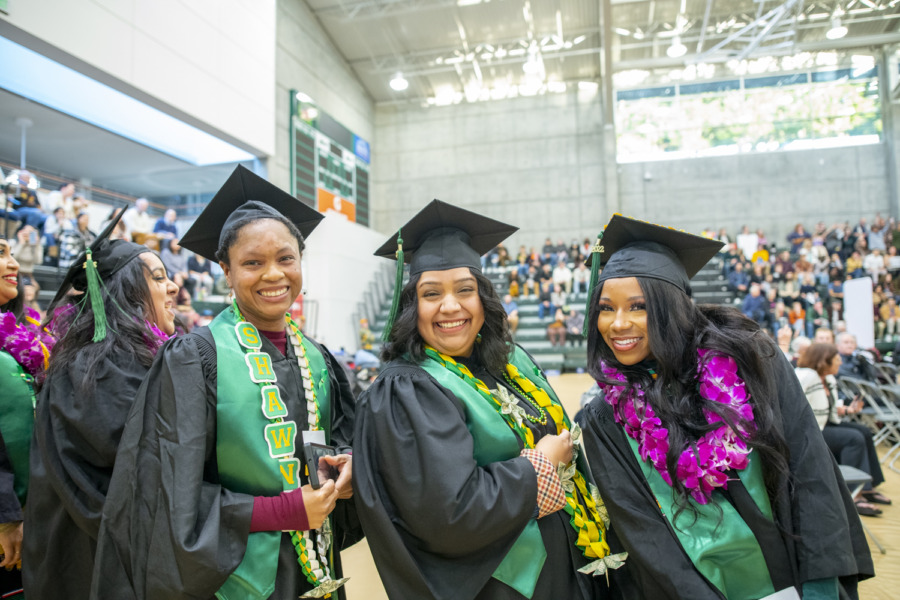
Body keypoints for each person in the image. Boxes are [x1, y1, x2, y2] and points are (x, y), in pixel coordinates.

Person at [91, 165, 360, 599]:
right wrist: (283, 510)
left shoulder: (317, 357)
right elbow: (168, 492)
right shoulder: (195, 358)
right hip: (235, 574)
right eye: (252, 263)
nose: (273, 275)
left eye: (285, 258)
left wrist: (348, 465)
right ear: (226, 271)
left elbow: (342, 436)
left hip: (317, 561)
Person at [578, 215, 872, 599]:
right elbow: (642, 533)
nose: (618, 324)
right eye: (605, 308)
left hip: (793, 575)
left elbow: (809, 469)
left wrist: (819, 587)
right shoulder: (605, 417)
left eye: (638, 306)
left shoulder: (752, 361)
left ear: (671, 305)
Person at [354, 200, 616, 600]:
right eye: (431, 293)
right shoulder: (407, 389)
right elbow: (449, 512)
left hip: (567, 573)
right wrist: (540, 466)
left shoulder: (508, 363)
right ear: (411, 306)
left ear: (483, 298)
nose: (451, 306)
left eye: (465, 290)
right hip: (504, 588)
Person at [22, 210, 178, 599]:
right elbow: (137, 469)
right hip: (90, 562)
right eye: (158, 277)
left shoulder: (116, 360)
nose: (173, 286)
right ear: (126, 291)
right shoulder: (99, 368)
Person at [0, 234, 54, 597]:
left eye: (12, 253)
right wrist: (6, 515)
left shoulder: (20, 336)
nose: (14, 264)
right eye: (1, 254)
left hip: (32, 507)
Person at [795, 343, 891, 517]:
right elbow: (792, 402)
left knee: (864, 432)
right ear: (825, 361)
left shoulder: (829, 379)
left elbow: (825, 407)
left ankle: (868, 487)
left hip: (825, 422)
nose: (840, 362)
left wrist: (849, 410)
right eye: (837, 359)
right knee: (853, 438)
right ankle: (854, 494)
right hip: (810, 430)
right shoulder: (806, 376)